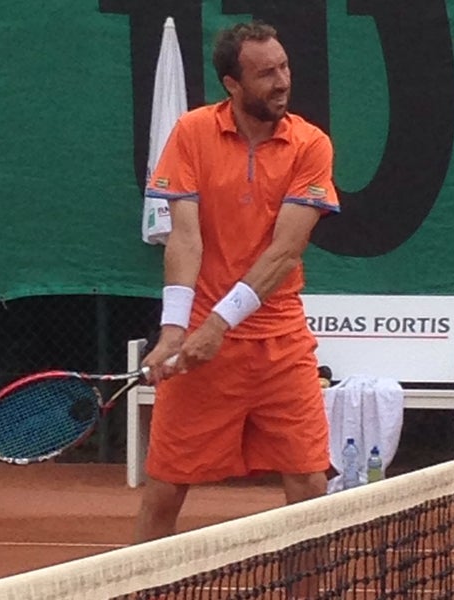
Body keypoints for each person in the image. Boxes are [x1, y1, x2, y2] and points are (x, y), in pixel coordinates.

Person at [136, 21, 340, 543]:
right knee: (163, 488)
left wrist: (218, 325)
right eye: (266, 73)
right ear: (232, 83)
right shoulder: (191, 132)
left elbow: (285, 252)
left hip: (280, 343)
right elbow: (185, 239)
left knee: (309, 485)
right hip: (203, 344)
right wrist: (175, 330)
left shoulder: (311, 144)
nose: (282, 81)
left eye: (284, 67)